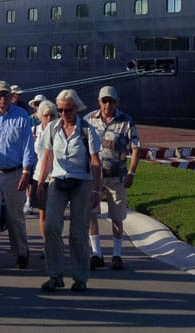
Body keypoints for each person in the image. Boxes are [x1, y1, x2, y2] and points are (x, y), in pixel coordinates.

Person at [36, 89, 101, 292]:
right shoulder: (53, 128)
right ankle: (55, 275)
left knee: (78, 232)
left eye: (68, 110)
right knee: (51, 226)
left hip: (81, 182)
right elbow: (48, 156)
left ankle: (80, 278)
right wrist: (40, 183)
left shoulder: (87, 130)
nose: (64, 114)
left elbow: (95, 162)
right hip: (58, 180)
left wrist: (96, 191)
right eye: (61, 110)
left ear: (77, 108)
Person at [0, 80, 35, 274]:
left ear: (11, 96)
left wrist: (26, 172)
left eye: (5, 95)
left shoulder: (21, 115)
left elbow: (27, 146)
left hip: (15, 172)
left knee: (15, 217)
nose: (3, 98)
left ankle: (21, 252)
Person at [86, 85, 142, 271]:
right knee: (91, 214)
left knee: (117, 216)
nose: (107, 104)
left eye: (111, 101)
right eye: (104, 100)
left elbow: (136, 148)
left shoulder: (126, 121)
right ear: (99, 101)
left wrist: (131, 173)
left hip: (117, 176)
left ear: (117, 102)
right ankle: (97, 254)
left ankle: (117, 255)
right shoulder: (88, 120)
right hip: (94, 176)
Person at [30, 100, 58, 240]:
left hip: (56, 176)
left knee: (55, 214)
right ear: (40, 116)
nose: (49, 118)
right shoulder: (34, 131)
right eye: (46, 115)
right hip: (39, 176)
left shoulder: (59, 131)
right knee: (43, 213)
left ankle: (55, 241)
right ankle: (47, 243)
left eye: (52, 115)